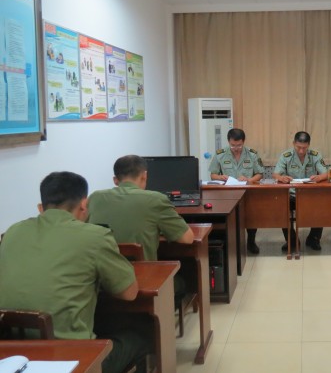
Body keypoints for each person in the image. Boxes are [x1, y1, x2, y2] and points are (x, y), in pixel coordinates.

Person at [0, 172, 151, 373]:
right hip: (72, 358)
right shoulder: (95, 236)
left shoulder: (12, 232)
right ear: (83, 205)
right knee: (142, 332)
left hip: (11, 354)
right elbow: (129, 293)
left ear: (41, 207)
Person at [87, 154, 194, 261]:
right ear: (144, 176)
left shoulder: (94, 197)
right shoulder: (156, 200)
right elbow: (187, 238)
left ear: (115, 180)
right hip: (141, 270)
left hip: (101, 270)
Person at [209, 128, 264, 254]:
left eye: (239, 145)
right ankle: (232, 244)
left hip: (247, 192)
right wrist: (221, 177)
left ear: (243, 141)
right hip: (227, 194)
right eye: (233, 145)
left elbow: (260, 174)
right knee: (231, 219)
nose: (236, 148)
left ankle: (251, 242)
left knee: (251, 217)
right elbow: (213, 175)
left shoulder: (252, 154)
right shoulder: (220, 154)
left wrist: (249, 179)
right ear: (228, 142)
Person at [272, 131, 328, 251]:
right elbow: (275, 174)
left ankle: (314, 239)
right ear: (293, 143)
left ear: (308, 145)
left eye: (304, 148)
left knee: (321, 206)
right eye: (298, 147)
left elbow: (326, 173)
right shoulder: (286, 156)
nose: (301, 151)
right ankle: (291, 240)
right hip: (291, 194)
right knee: (282, 208)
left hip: (309, 194)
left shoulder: (315, 155)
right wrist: (282, 178)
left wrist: (319, 177)